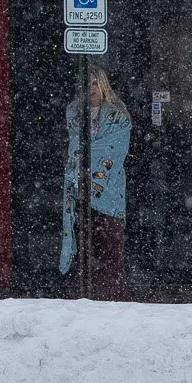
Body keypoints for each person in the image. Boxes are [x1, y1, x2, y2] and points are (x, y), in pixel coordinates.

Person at [58, 70, 132, 298]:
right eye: (85, 84)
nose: (90, 88)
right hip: (79, 194)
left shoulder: (119, 116)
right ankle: (81, 300)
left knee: (111, 253)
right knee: (82, 253)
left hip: (109, 194)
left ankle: (111, 300)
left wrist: (88, 159)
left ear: (103, 85)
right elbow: (75, 148)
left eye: (94, 83)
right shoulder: (74, 113)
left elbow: (114, 150)